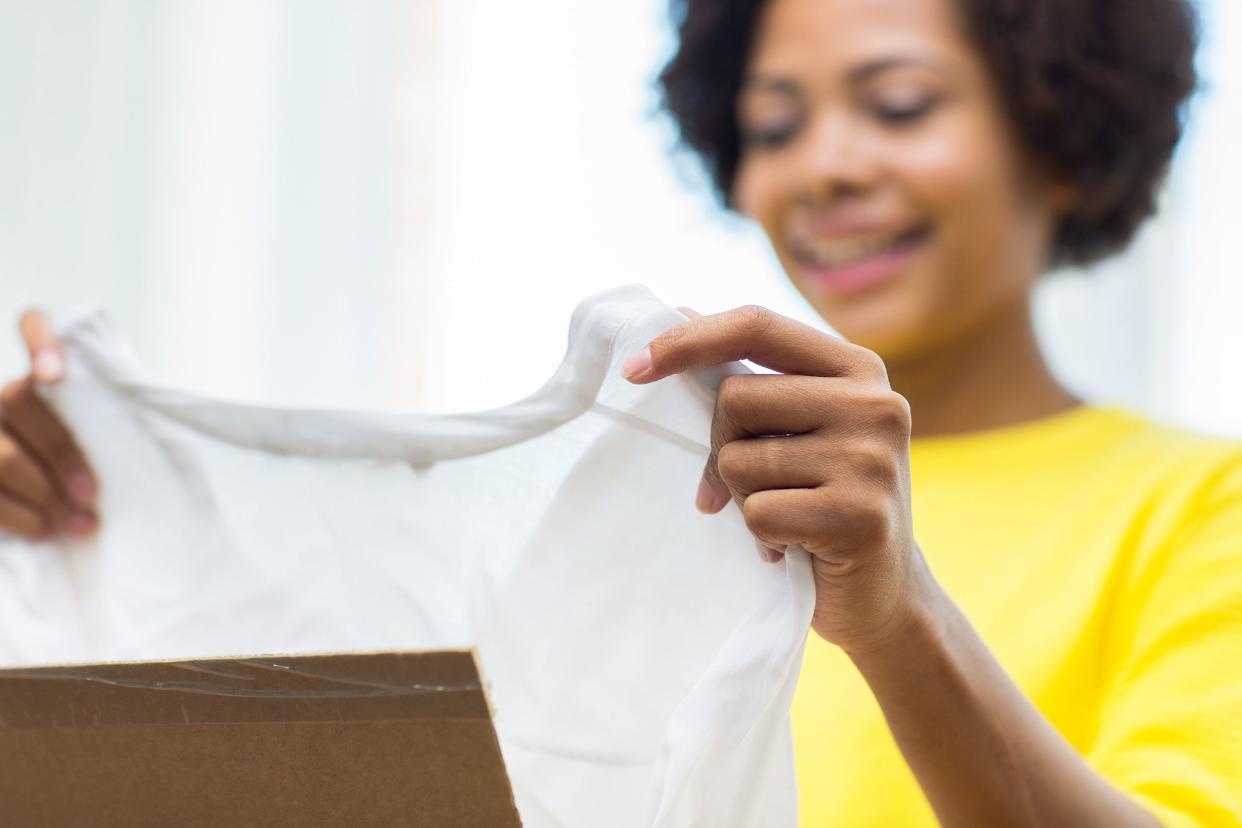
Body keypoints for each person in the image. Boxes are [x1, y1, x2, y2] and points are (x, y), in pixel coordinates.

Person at [1, 0, 1237, 824]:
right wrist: (90, 514)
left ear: (1068, 135)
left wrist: (902, 617)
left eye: (900, 105)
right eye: (771, 124)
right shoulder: (666, 488)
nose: (824, 166)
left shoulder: (1199, 507)